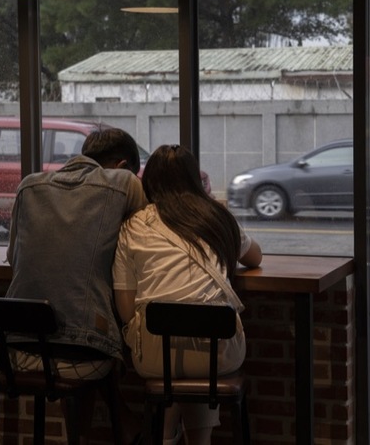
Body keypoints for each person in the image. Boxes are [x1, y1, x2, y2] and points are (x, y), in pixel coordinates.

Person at [0, 127, 148, 444]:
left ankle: (104, 429)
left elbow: (14, 259)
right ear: (122, 166)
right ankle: (109, 430)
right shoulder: (123, 183)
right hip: (82, 352)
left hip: (13, 350)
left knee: (72, 316)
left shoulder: (28, 186)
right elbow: (144, 240)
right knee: (88, 332)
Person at [113, 144, 263, 445]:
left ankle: (167, 433)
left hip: (155, 355)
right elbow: (255, 257)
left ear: (149, 182)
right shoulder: (217, 216)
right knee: (201, 362)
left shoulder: (133, 226)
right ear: (195, 179)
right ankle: (198, 440)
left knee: (174, 370)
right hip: (221, 355)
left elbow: (126, 310)